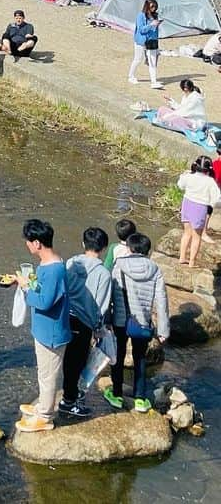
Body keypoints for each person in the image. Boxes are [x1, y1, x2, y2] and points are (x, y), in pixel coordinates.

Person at [14, 219, 71, 433]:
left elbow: (46, 301)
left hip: (52, 332)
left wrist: (26, 289)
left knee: (49, 376)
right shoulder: (46, 265)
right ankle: (42, 407)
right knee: (44, 372)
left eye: (28, 242)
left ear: (37, 243)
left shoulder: (54, 269)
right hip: (44, 330)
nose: (27, 245)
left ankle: (45, 416)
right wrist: (26, 283)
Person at [105, 233, 169, 413]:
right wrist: (163, 330)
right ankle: (140, 399)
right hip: (142, 322)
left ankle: (116, 395)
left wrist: (106, 320)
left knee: (117, 357)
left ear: (129, 248)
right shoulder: (155, 269)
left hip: (120, 320)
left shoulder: (119, 265)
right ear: (147, 251)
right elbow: (162, 300)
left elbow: (110, 293)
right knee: (140, 358)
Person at [60, 227, 112, 418]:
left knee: (67, 359)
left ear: (83, 243)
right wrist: (99, 329)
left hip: (65, 317)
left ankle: (69, 394)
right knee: (78, 361)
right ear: (104, 247)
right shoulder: (103, 274)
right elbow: (101, 305)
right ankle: (69, 400)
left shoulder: (71, 263)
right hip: (84, 323)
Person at [177, 155, 221, 268]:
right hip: (200, 207)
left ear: (195, 166)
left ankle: (182, 258)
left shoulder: (189, 176)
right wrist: (211, 204)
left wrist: (183, 175)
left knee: (186, 233)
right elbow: (216, 198)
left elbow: (180, 185)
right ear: (209, 169)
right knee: (197, 237)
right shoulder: (210, 181)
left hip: (187, 204)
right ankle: (191, 262)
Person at [128, 0, 162, 89]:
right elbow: (141, 30)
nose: (153, 9)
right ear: (147, 6)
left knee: (153, 62)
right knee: (138, 59)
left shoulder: (155, 15)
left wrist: (157, 24)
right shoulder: (141, 16)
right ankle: (131, 76)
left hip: (152, 41)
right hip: (141, 40)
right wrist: (151, 25)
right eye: (152, 6)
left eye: (155, 7)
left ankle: (154, 82)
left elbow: (155, 31)